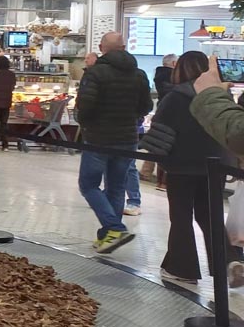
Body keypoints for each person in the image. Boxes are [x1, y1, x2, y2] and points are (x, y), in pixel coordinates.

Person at [146, 51, 244, 287]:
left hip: (181, 165)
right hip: (215, 165)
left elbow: (160, 129)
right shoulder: (220, 95)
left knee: (181, 216)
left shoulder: (176, 96)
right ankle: (229, 262)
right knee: (209, 215)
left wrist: (152, 163)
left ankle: (182, 268)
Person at [75, 32, 153, 253]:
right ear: (124, 47)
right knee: (117, 188)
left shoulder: (95, 73)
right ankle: (108, 236)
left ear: (101, 47)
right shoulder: (138, 74)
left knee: (88, 185)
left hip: (99, 138)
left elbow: (86, 106)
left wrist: (85, 124)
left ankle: (115, 227)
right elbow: (146, 106)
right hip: (128, 138)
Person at [140, 54, 178, 185]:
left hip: (162, 112)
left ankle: (146, 172)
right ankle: (162, 180)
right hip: (169, 114)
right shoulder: (170, 77)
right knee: (163, 145)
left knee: (156, 143)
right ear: (173, 64)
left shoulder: (160, 75)